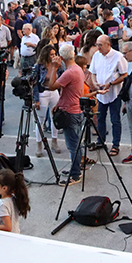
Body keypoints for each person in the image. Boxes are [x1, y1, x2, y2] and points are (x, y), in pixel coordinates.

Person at [45, 44, 85, 186]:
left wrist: (54, 67)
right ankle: (76, 168)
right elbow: (67, 91)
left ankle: (75, 174)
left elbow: (51, 86)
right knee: (76, 143)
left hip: (70, 112)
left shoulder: (69, 72)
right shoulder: (77, 69)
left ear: (61, 57)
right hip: (75, 108)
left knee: (72, 145)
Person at [89, 35, 128, 156]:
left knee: (115, 119)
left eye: (100, 45)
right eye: (97, 45)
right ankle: (101, 141)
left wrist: (111, 84)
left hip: (114, 93)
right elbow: (93, 72)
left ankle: (116, 144)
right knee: (100, 118)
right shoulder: (96, 55)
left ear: (108, 44)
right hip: (101, 93)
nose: (98, 48)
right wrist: (95, 83)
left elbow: (124, 75)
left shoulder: (118, 56)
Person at [31, 45, 62, 156]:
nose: (54, 56)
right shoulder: (38, 66)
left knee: (56, 117)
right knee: (40, 120)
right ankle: (39, 145)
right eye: (51, 54)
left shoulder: (58, 65)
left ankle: (54, 141)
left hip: (54, 92)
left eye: (55, 54)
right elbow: (34, 83)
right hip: (42, 93)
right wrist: (36, 100)